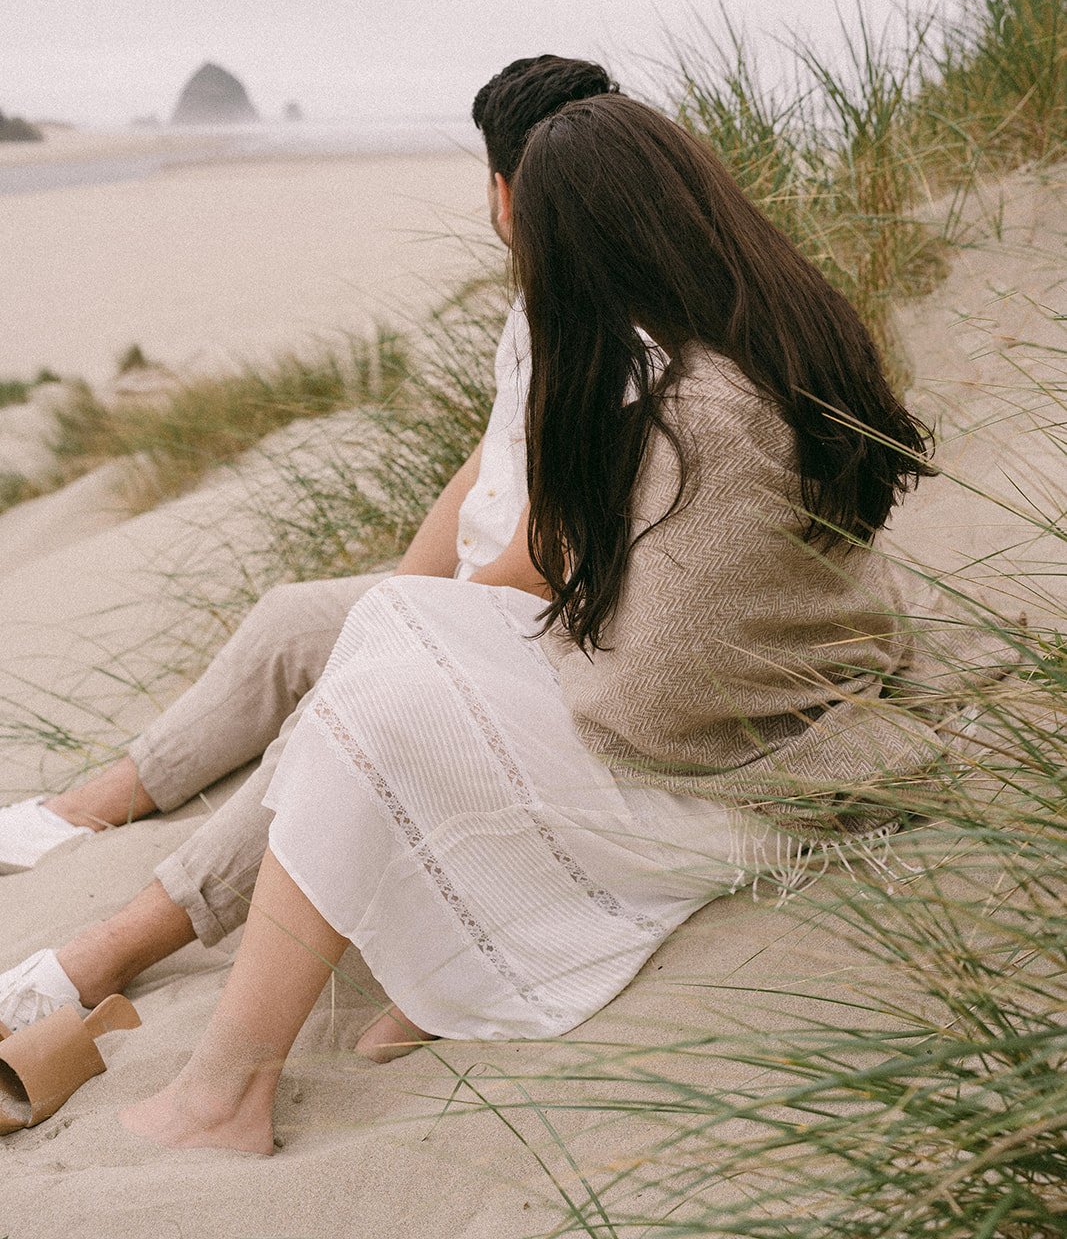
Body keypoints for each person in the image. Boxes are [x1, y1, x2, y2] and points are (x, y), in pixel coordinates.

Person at [106, 92, 1005, 1154]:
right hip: (761, 709)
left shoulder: (698, 411)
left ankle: (223, 1094)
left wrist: (528, 671)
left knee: (388, 717)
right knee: (400, 618)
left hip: (752, 772)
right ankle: (324, 1017)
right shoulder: (761, 327)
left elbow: (659, 708)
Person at [0, 54, 620, 1053]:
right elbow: (487, 461)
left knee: (335, 709)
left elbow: (551, 556)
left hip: (526, 631)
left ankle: (105, 955)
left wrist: (414, 627)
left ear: (505, 194)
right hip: (470, 592)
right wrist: (402, 590)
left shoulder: (607, 333)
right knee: (299, 616)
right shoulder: (541, 301)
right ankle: (85, 808)